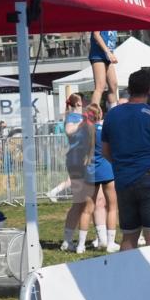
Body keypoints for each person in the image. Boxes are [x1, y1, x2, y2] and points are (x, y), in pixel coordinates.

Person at [101, 69, 150, 250]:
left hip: (123, 180)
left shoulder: (112, 115)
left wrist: (122, 164)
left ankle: (125, 276)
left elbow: (105, 150)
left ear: (129, 89)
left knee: (129, 236)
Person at [76, 104, 120, 253]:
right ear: (100, 114)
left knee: (87, 209)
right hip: (107, 170)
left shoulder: (83, 131)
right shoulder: (104, 129)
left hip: (90, 171)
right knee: (112, 207)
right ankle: (110, 243)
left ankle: (80, 246)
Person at [58, 98, 97, 251]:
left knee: (89, 202)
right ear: (76, 105)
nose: (84, 105)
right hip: (76, 162)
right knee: (80, 202)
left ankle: (94, 238)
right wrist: (83, 122)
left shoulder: (84, 116)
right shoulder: (73, 117)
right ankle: (68, 241)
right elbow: (69, 130)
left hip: (85, 162)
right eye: (81, 103)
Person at [88, 31, 118, 108]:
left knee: (113, 85)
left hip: (108, 56)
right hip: (98, 56)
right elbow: (96, 35)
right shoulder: (101, 19)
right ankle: (93, 116)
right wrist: (108, 52)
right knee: (100, 86)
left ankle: (112, 112)